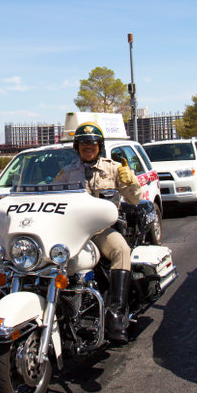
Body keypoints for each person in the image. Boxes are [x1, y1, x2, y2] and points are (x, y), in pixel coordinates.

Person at [55, 122, 143, 343]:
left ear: (99, 145)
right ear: (77, 146)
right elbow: (52, 197)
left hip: (101, 230)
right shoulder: (66, 173)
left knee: (121, 250)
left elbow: (135, 198)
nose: (88, 146)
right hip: (72, 231)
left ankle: (115, 313)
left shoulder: (113, 168)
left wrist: (130, 181)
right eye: (84, 142)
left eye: (93, 142)